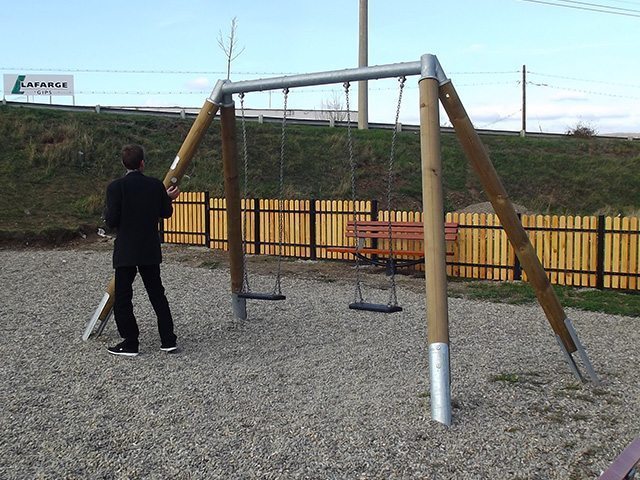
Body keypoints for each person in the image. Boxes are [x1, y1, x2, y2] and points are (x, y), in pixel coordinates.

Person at [104, 144, 180, 357]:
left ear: (124, 164)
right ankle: (168, 339)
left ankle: (130, 342)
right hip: (148, 247)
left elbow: (112, 221)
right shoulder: (155, 186)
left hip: (126, 248)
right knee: (157, 294)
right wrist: (166, 198)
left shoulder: (115, 187)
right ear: (142, 163)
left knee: (123, 297)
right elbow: (165, 212)